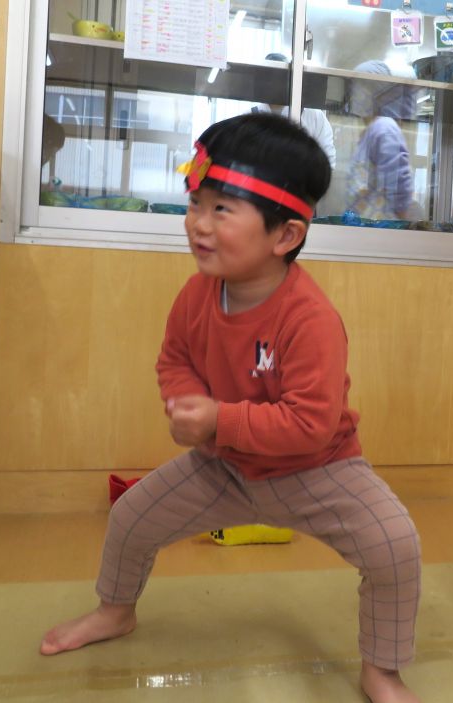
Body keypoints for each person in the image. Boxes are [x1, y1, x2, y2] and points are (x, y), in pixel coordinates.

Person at [39, 112, 423, 703]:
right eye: (197, 203)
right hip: (224, 467)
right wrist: (183, 400)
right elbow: (174, 358)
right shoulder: (197, 294)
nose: (198, 224)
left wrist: (219, 419)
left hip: (321, 471)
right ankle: (115, 611)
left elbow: (310, 424)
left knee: (395, 547)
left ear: (285, 235)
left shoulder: (309, 318)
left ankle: (383, 670)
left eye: (222, 209)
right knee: (131, 518)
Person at [344, 60, 416, 220]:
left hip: (380, 227)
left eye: (363, 88)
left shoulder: (384, 127)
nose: (357, 96)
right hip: (365, 225)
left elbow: (399, 181)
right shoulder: (370, 131)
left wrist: (400, 224)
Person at [255, 53, 337, 168]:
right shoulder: (251, 116)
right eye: (268, 77)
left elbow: (328, 160)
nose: (273, 82)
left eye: (280, 77)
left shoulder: (314, 116)